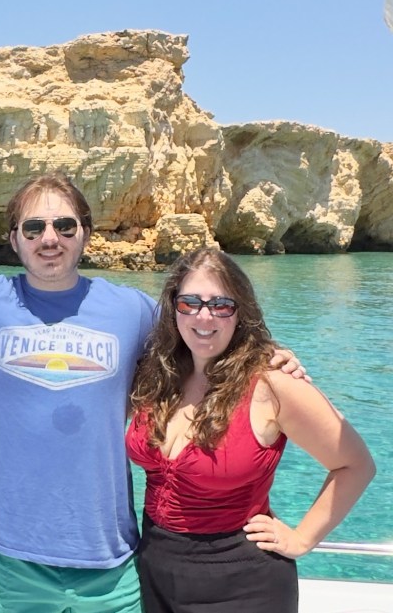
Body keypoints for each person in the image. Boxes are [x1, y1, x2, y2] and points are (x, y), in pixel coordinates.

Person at [0, 174, 306, 613]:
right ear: (14, 239)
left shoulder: (130, 310)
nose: (50, 238)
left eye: (65, 225)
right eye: (34, 228)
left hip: (111, 560)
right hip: (10, 562)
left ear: (85, 233)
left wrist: (270, 355)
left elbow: (205, 328)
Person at [126, 247, 375, 613]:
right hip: (156, 572)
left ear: (240, 312)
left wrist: (302, 538)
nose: (204, 316)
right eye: (189, 303)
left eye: (221, 305)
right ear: (173, 308)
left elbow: (356, 464)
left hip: (243, 583)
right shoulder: (156, 374)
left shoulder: (273, 383)